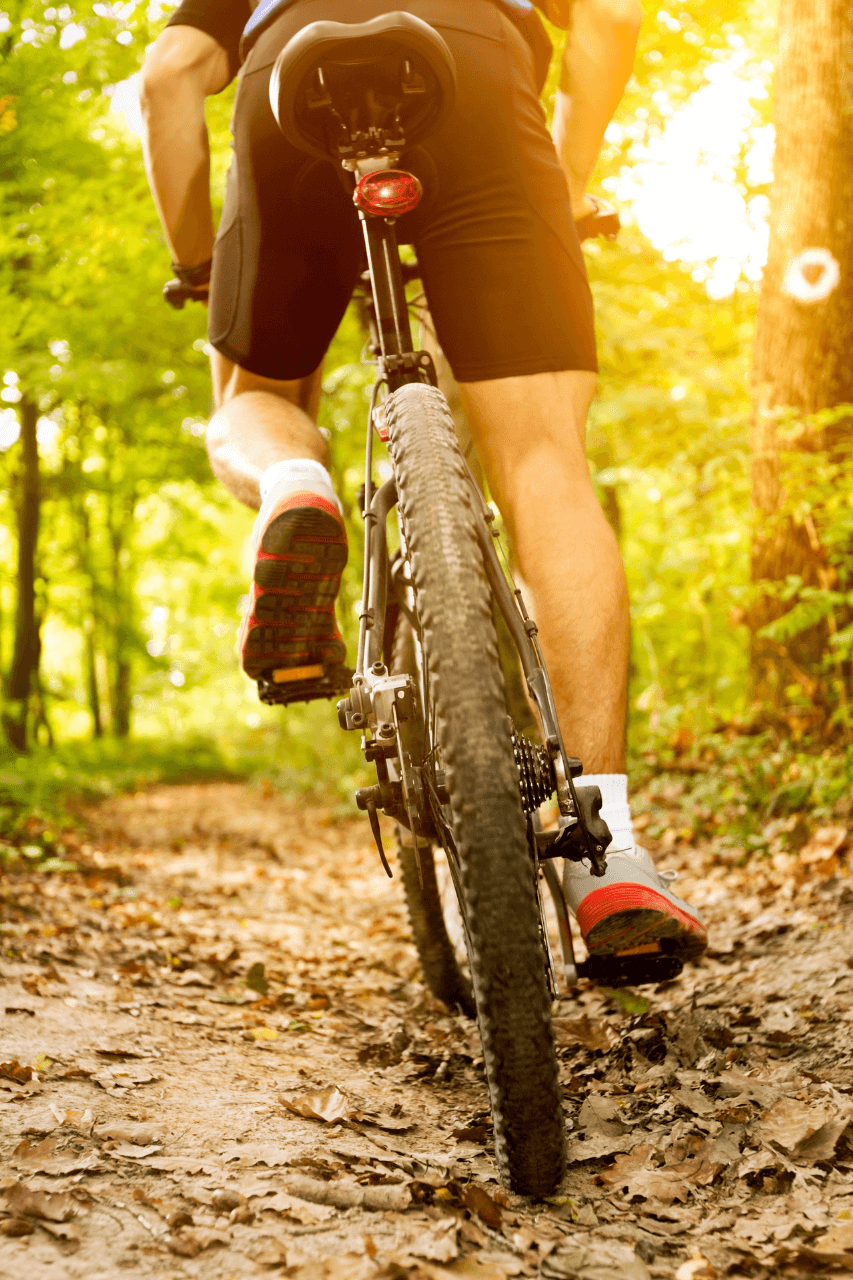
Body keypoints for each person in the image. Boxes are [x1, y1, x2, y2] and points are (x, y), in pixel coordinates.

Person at [139, 0, 707, 966]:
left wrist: (201, 263)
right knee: (542, 460)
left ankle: (290, 484)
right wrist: (556, 189)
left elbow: (166, 78)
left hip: (292, 83)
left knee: (253, 393)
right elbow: (611, 17)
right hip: (478, 77)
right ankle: (606, 848)